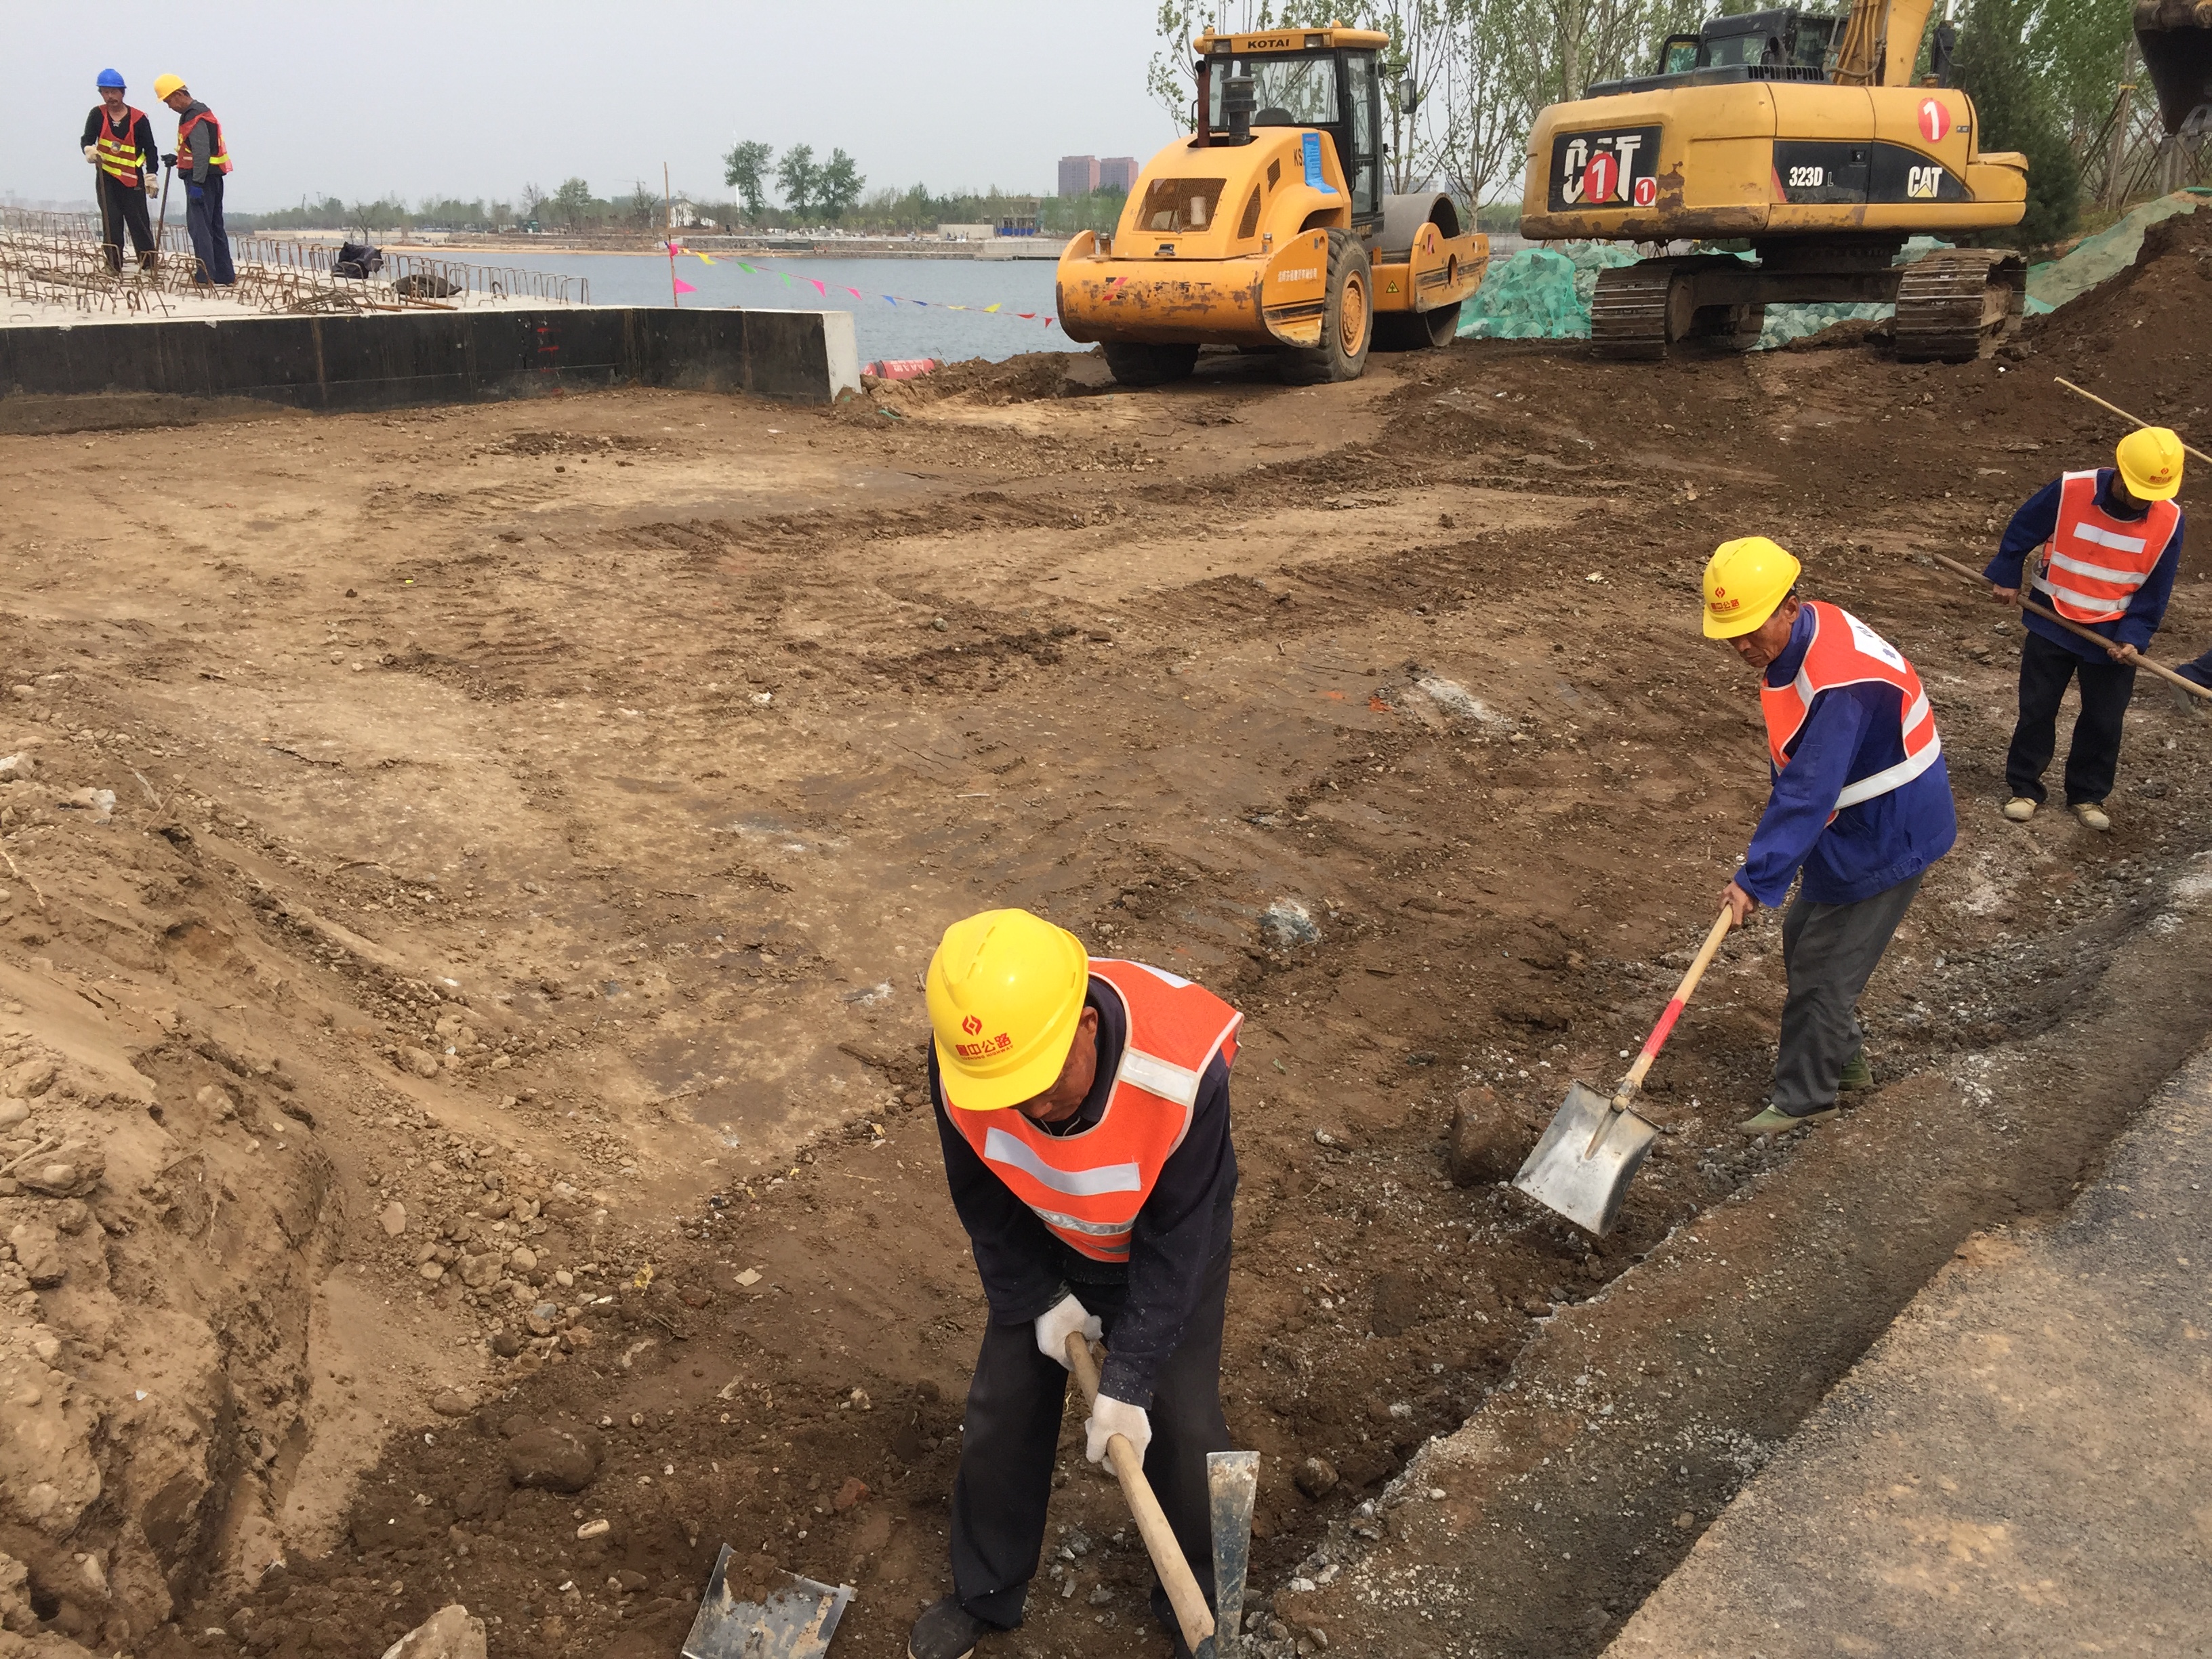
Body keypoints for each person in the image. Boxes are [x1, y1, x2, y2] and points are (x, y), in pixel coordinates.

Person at [913, 907, 1240, 1659]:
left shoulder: (1178, 1076)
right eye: (1012, 1091)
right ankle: (985, 1592)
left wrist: (1130, 1377)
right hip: (1045, 1237)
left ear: (1087, 1025)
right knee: (1002, 1408)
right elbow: (983, 1198)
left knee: (1184, 1423)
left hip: (1164, 1245)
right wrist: (1036, 1296)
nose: (1032, 1108)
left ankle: (1203, 1610)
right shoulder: (971, 1066)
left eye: (1044, 1081)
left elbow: (1178, 1239)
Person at [1702, 537, 1957, 1134]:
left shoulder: (1840, 682)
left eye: (1750, 630)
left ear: (1790, 606)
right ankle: (1843, 1063)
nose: (1742, 647)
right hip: (1857, 817)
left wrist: (1756, 878)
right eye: (1731, 635)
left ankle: (1804, 1098)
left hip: (1889, 829)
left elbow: (1807, 792)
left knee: (1822, 966)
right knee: (1803, 936)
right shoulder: (1807, 632)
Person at [1984, 427, 2186, 832]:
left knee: (2104, 720)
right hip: (2052, 619)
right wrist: (2007, 573)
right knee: (2038, 709)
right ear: (2120, 474)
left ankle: (2087, 794)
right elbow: (2023, 527)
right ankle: (2024, 787)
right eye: (2138, 491)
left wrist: (2133, 636)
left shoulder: (2169, 520)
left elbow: (2156, 587)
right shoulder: (2071, 489)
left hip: (2110, 635)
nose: (2144, 501)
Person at [154, 73, 234, 286]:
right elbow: (195, 150)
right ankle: (224, 274)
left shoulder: (194, 116)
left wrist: (197, 183)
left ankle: (205, 276)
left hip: (202, 180)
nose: (169, 107)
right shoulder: (203, 113)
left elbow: (202, 152)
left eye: (169, 101)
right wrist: (177, 159)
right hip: (212, 176)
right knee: (215, 226)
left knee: (200, 228)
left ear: (179, 95)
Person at [81, 69, 159, 274]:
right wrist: (89, 150)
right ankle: (113, 265)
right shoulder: (97, 115)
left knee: (138, 222)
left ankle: (148, 264)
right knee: (111, 221)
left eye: (114, 92)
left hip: (133, 178)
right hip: (107, 177)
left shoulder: (139, 119)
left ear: (122, 92)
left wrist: (151, 175)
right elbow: (87, 139)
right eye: (106, 92)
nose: (110, 97)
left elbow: (150, 149)